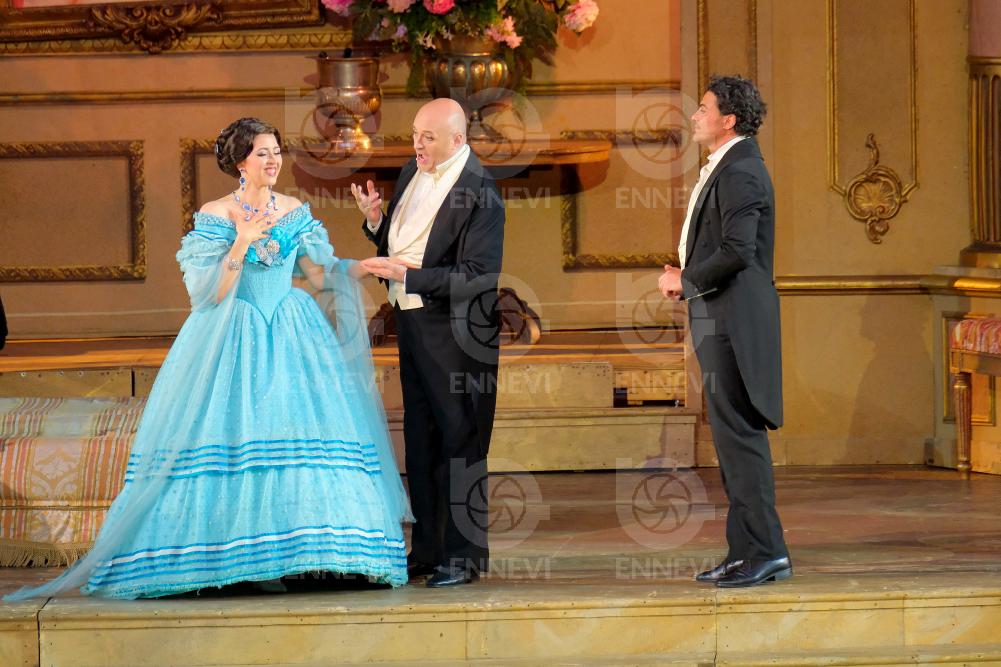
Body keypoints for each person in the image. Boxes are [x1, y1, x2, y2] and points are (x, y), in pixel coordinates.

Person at [6, 117, 411, 600]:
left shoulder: (293, 209)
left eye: (276, 151)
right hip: (233, 333)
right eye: (262, 153)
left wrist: (365, 264)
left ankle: (307, 555)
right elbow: (209, 294)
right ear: (241, 162)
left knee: (302, 439)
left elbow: (320, 276)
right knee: (231, 437)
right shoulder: (217, 214)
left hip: (290, 330)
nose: (273, 160)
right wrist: (241, 239)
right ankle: (230, 559)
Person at [353, 98, 505, 587]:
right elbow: (404, 247)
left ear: (458, 140)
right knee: (421, 439)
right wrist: (376, 222)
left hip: (457, 330)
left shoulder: (481, 192)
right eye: (415, 134)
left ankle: (462, 557)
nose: (417, 144)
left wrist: (410, 277)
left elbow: (478, 276)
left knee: (460, 440)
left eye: (429, 137)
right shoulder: (410, 171)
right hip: (413, 321)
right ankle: (428, 548)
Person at [659, 76, 791, 588]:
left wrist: (685, 279)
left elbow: (738, 250)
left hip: (735, 319)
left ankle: (766, 552)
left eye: (703, 108)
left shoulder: (741, 172)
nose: (695, 116)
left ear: (728, 120)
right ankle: (746, 552)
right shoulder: (729, 166)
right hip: (720, 313)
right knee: (732, 438)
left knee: (740, 436)